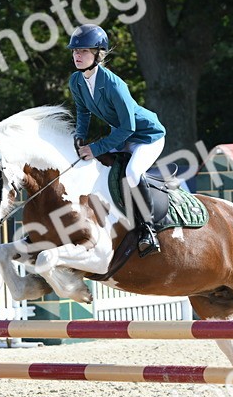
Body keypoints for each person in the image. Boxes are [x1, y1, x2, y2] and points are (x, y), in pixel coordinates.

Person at [68, 23, 167, 256]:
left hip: (146, 136)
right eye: (75, 51)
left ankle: (148, 230)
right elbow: (83, 112)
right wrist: (80, 136)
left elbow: (129, 127)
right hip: (123, 136)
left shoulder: (114, 84)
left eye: (83, 51)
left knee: (132, 173)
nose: (77, 55)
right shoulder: (76, 81)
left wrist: (96, 147)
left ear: (97, 54)